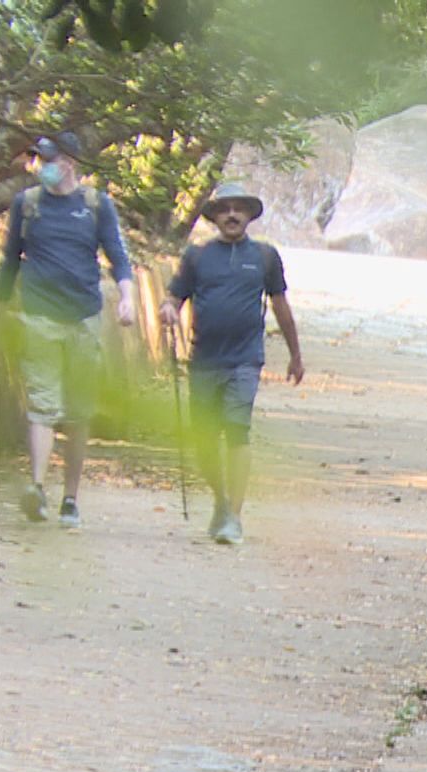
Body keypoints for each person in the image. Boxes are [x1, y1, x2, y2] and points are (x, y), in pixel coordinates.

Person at [0, 132, 136, 528]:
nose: (41, 166)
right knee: (42, 406)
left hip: (83, 319)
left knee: (77, 412)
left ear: (70, 162)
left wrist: (127, 298)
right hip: (38, 318)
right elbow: (10, 262)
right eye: (39, 160)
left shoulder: (95, 205)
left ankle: (70, 499)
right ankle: (37, 487)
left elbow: (118, 257)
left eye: (49, 159)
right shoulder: (27, 204)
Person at [159, 182, 305, 545]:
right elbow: (175, 296)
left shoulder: (265, 256)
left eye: (239, 208)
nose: (232, 215)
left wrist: (295, 355)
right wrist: (167, 309)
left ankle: (234, 517)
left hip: (245, 359)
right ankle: (221, 501)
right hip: (204, 359)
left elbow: (280, 306)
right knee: (205, 439)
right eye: (224, 209)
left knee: (237, 429)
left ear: (250, 215)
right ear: (214, 217)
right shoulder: (197, 256)